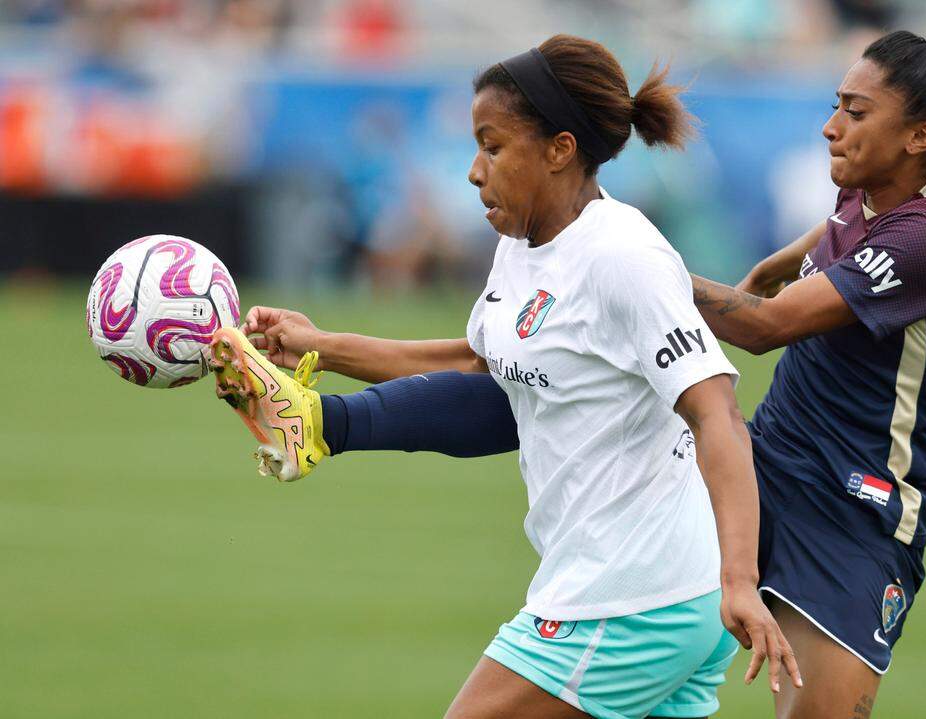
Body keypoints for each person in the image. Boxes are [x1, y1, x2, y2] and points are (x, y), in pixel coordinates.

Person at [219, 2, 926, 716]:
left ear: (919, 136)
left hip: (856, 511)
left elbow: (759, 330)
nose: (828, 127)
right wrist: (327, 356)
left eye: (853, 111)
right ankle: (320, 432)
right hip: (763, 477)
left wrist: (628, 273)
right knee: (553, 387)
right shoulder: (868, 195)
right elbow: (505, 368)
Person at [209, 34, 800, 719]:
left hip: (633, 597)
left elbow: (717, 413)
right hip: (656, 596)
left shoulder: (623, 255)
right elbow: (478, 364)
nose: (472, 171)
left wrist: (740, 579)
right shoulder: (522, 246)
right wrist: (318, 347)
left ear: (559, 149)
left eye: (493, 147)